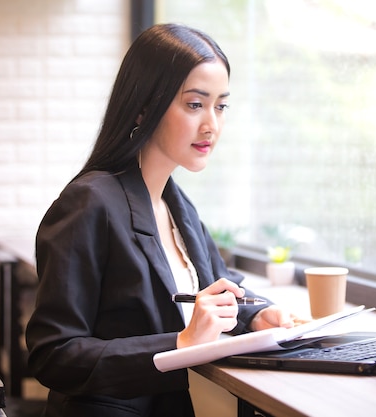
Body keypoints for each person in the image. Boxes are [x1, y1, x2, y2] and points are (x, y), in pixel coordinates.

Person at [25, 23, 300, 417]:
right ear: (143, 105)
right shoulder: (89, 203)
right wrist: (182, 343)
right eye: (194, 104)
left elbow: (219, 289)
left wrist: (258, 315)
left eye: (220, 105)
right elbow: (53, 355)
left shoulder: (176, 204)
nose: (212, 125)